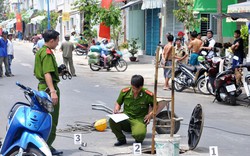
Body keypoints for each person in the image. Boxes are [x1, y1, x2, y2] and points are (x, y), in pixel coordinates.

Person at [33, 30, 63, 155]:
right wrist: (53, 91)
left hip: (43, 87)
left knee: (44, 117)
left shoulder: (40, 51)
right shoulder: (47, 53)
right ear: (52, 40)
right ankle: (46, 146)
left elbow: (47, 72)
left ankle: (41, 145)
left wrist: (59, 71)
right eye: (57, 41)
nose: (57, 43)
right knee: (51, 119)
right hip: (48, 89)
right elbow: (47, 73)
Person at [109, 75, 154, 146]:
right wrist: (116, 109)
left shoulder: (147, 94)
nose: (135, 91)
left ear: (141, 87)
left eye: (137, 89)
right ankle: (121, 139)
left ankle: (138, 138)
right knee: (112, 120)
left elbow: (155, 105)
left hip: (139, 119)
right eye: (133, 88)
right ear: (131, 85)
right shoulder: (125, 91)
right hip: (126, 117)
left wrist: (150, 114)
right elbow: (118, 102)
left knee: (139, 134)